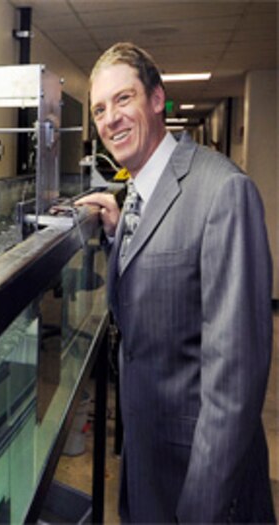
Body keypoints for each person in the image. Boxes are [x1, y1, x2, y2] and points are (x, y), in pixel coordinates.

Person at [76, 43, 274, 522]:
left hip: (200, 479)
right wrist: (118, 231)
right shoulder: (138, 196)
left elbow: (236, 382)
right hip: (147, 460)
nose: (110, 120)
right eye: (100, 109)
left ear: (157, 99)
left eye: (123, 99)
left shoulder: (223, 191)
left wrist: (201, 508)